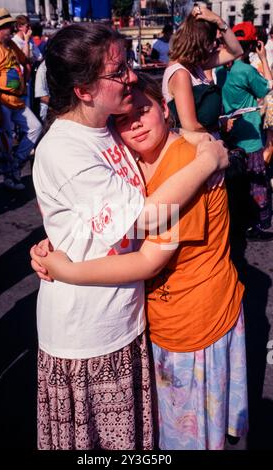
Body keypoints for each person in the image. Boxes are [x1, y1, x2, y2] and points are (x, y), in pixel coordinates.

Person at [30, 23, 228, 450]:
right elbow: (149, 217)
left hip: (126, 318)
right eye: (118, 72)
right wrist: (206, 160)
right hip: (88, 332)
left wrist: (194, 138)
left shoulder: (107, 129)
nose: (132, 77)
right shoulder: (64, 148)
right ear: (84, 90)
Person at [217, 22, 273, 241]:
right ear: (251, 45)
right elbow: (267, 87)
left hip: (230, 135)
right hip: (249, 137)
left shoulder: (221, 71)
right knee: (255, 182)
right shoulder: (246, 70)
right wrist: (263, 59)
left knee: (235, 183)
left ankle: (236, 223)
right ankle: (255, 224)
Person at [0, 8, 42, 191]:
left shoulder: (10, 44)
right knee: (5, 140)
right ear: (1, 27)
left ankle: (16, 162)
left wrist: (27, 41)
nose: (13, 29)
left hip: (16, 99)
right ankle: (9, 176)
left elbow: (26, 59)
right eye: (9, 26)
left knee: (35, 127)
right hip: (0, 100)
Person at [162, 3, 243, 134]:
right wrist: (220, 125)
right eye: (211, 42)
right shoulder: (181, 74)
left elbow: (236, 51)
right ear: (201, 41)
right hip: (196, 151)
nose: (212, 47)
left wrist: (219, 22)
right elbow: (190, 127)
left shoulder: (195, 65)